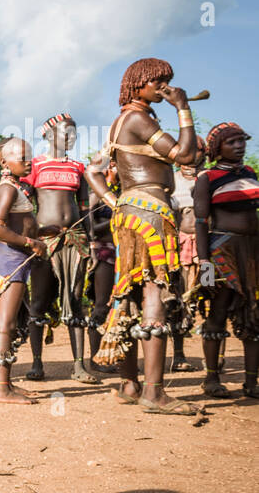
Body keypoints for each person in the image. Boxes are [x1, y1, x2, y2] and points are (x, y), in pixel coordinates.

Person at [88, 57, 199, 415]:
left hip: (130, 212)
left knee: (130, 290)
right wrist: (182, 107)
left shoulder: (122, 121)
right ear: (137, 84)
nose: (163, 88)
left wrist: (113, 201)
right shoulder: (138, 118)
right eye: (158, 82)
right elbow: (185, 153)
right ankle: (154, 392)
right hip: (150, 213)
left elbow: (94, 170)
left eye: (167, 82)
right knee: (153, 288)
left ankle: (129, 383)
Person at [22, 114, 99, 384]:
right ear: (48, 135)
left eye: (73, 134)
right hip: (45, 242)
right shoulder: (35, 166)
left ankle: (79, 365)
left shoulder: (79, 168)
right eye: (65, 133)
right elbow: (23, 205)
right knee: (40, 299)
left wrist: (91, 242)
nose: (70, 138)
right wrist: (31, 236)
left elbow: (85, 208)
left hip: (75, 239)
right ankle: (36, 363)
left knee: (76, 300)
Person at [194, 121, 259, 398]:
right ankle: (211, 379)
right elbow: (199, 221)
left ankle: (252, 383)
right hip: (220, 251)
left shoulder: (250, 173)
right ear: (216, 148)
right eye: (231, 142)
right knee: (217, 311)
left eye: (241, 140)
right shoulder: (206, 178)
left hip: (252, 251)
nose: (239, 146)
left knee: (254, 313)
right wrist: (204, 263)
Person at [0, 138, 49, 403]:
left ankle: (7, 383)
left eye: (29, 157)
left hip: (14, 259)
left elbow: (17, 225)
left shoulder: (14, 188)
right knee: (5, 324)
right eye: (22, 158)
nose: (28, 162)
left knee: (7, 323)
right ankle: (1, 389)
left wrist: (45, 232)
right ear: (4, 161)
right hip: (10, 260)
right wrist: (31, 242)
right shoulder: (8, 190)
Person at [169, 151, 203, 371]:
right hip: (181, 248)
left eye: (197, 151)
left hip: (208, 250)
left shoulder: (209, 177)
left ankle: (215, 361)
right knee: (179, 298)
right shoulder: (171, 180)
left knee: (210, 292)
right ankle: (179, 355)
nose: (191, 159)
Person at [85, 153, 118, 373]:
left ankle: (110, 354)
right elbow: (89, 231)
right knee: (101, 305)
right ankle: (95, 358)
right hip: (102, 253)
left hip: (120, 254)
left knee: (116, 306)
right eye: (114, 167)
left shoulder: (120, 194)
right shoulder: (96, 196)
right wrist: (113, 221)